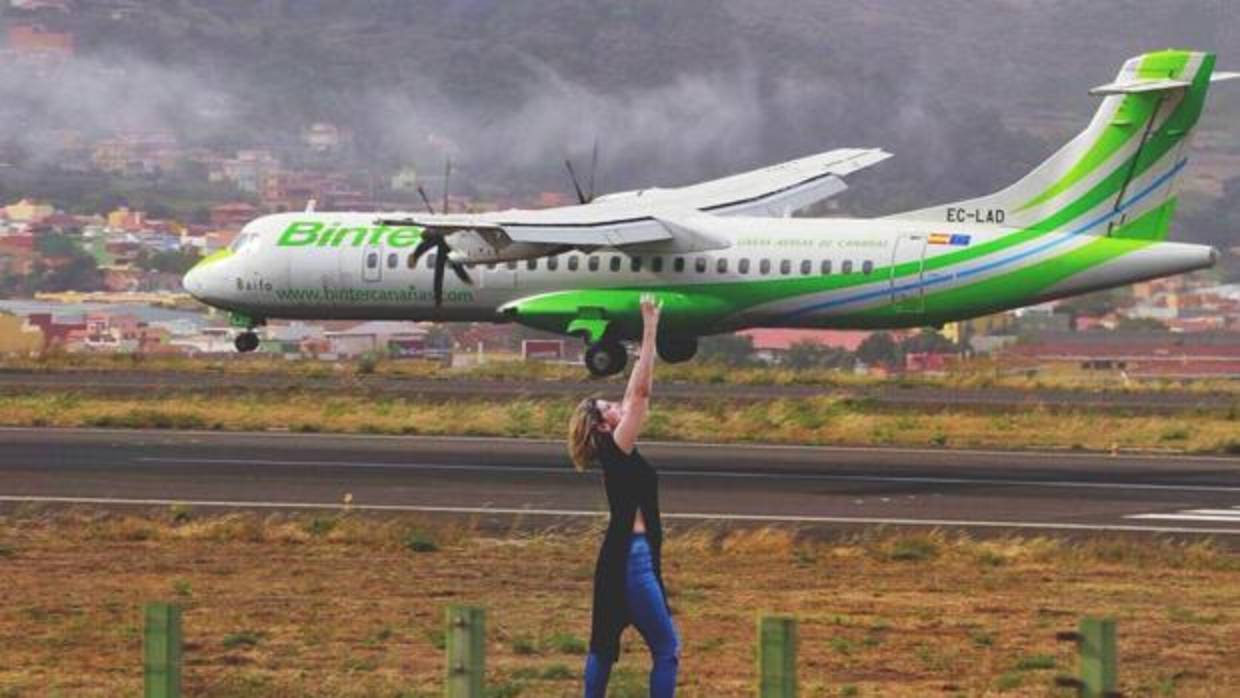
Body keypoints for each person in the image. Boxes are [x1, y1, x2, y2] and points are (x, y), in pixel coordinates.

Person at [568, 293, 679, 698]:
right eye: (608, 406)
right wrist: (650, 330)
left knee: (604, 645)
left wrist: (645, 342)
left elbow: (634, 396)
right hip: (633, 558)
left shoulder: (615, 450)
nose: (618, 405)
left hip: (622, 555)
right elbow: (642, 395)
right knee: (667, 650)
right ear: (601, 426)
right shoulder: (615, 446)